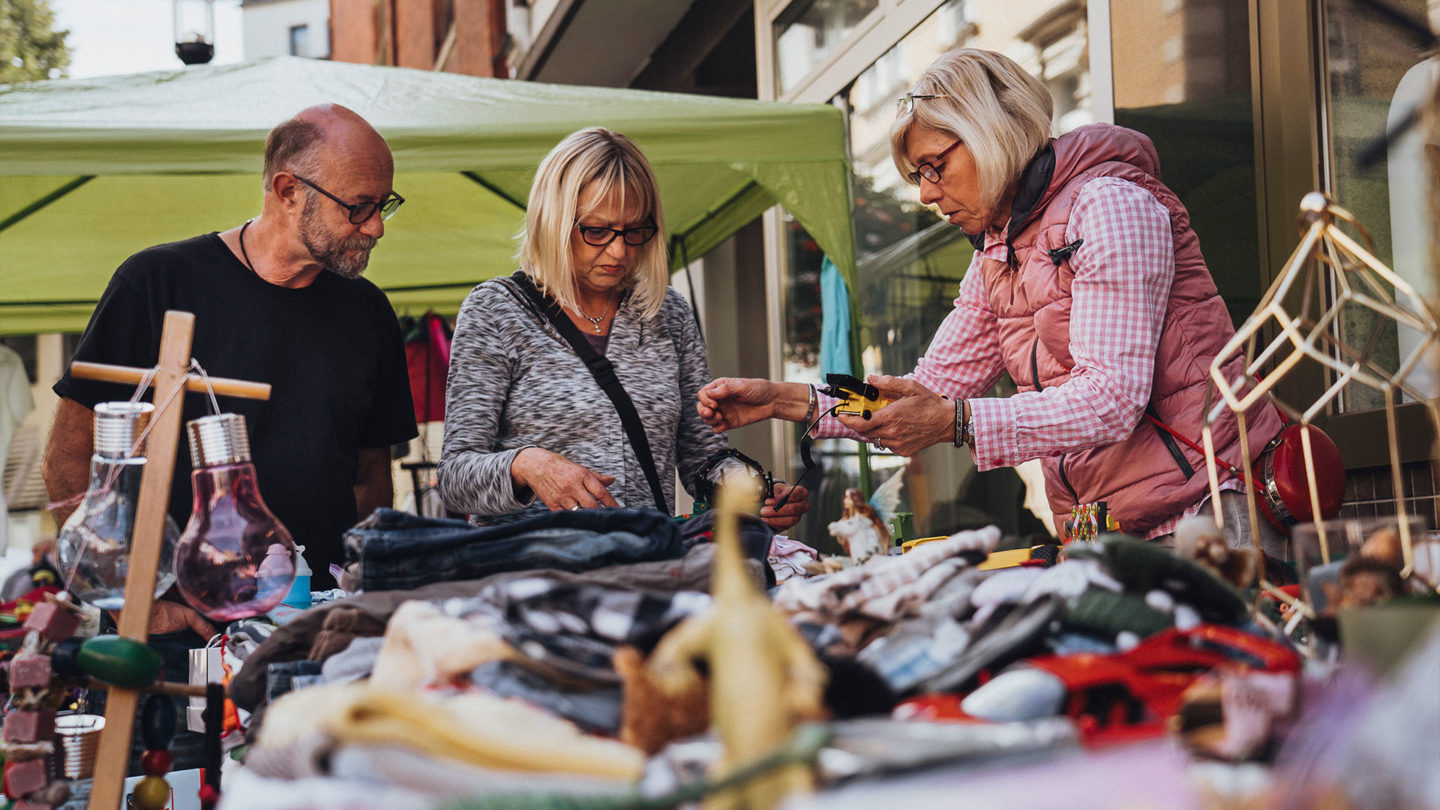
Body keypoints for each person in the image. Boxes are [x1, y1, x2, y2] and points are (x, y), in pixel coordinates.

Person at [697, 49, 1285, 555]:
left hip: (1210, 510)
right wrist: (786, 399)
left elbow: (1110, 398)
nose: (927, 193)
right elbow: (927, 389)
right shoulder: (997, 254)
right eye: (916, 176)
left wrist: (955, 422)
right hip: (1113, 529)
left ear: (991, 132)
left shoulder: (1109, 206)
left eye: (935, 166)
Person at [45, 104, 419, 618]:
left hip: (320, 616)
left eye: (385, 203)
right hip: (174, 628)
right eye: (358, 206)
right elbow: (71, 455)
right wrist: (135, 606)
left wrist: (363, 588)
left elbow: (371, 477)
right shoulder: (156, 283)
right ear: (289, 192)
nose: (376, 227)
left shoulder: (369, 311)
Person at [436, 127, 807, 530]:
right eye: (597, 231)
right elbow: (455, 477)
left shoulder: (669, 314)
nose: (620, 251)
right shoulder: (495, 311)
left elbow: (703, 458)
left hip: (645, 570)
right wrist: (527, 465)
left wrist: (754, 492)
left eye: (635, 231)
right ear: (552, 220)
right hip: (531, 576)